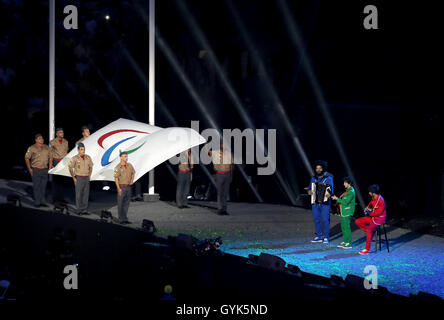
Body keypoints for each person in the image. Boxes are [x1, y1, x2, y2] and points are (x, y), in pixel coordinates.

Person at [355, 184, 386, 255]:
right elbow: (371, 203)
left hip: (379, 219)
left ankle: (367, 249)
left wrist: (369, 212)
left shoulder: (381, 200)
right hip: (373, 217)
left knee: (369, 229)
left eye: (370, 192)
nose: (369, 193)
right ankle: (371, 232)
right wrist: (368, 207)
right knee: (357, 221)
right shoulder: (374, 198)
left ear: (373, 193)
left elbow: (378, 213)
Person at [307, 160, 334, 244]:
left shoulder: (328, 178)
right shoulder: (313, 178)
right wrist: (309, 192)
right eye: (316, 168)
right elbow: (309, 189)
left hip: (325, 203)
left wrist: (329, 194)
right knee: (316, 219)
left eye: (320, 168)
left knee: (325, 220)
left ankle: (326, 237)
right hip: (315, 203)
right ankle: (319, 236)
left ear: (323, 169)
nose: (318, 170)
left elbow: (331, 190)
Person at [24, 134, 53, 207]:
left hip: (44, 170)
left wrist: (50, 166)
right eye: (40, 138)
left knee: (43, 187)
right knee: (37, 187)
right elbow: (27, 158)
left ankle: (43, 201)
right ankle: (37, 202)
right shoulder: (31, 148)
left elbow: (50, 157)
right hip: (36, 170)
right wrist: (29, 168)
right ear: (36, 140)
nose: (42, 139)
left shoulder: (47, 147)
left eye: (42, 138)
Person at [68, 143, 93, 215]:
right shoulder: (74, 158)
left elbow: (91, 166)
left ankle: (84, 210)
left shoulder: (88, 157)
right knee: (79, 195)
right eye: (81, 149)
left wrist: (89, 175)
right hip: (79, 178)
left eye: (84, 149)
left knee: (86, 194)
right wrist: (74, 178)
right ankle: (78, 210)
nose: (83, 151)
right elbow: (70, 168)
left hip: (86, 178)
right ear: (78, 150)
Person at [209, 141, 234, 215]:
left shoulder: (229, 154)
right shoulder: (215, 153)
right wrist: (206, 145)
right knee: (220, 193)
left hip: (227, 174)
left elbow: (232, 166)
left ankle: (224, 209)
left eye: (226, 144)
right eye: (223, 144)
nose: (224, 146)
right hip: (220, 174)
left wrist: (231, 176)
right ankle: (220, 209)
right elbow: (207, 153)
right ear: (220, 145)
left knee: (225, 193)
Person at [332, 176, 355, 249]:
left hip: (347, 211)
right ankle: (345, 241)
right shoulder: (348, 191)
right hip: (344, 211)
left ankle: (349, 243)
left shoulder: (351, 192)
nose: (344, 184)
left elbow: (345, 202)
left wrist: (337, 199)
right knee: (343, 227)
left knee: (346, 227)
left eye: (345, 182)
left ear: (349, 183)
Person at [114, 151, 135, 224]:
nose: (126, 158)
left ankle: (125, 218)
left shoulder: (129, 165)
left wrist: (132, 180)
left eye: (127, 156)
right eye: (125, 156)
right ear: (121, 157)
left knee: (126, 203)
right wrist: (118, 188)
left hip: (128, 187)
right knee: (120, 203)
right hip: (121, 187)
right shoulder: (117, 167)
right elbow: (116, 178)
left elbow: (133, 173)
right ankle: (121, 219)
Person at [49, 128, 69, 202]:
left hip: (63, 162)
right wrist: (51, 164)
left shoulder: (66, 142)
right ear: (57, 134)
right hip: (56, 161)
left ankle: (61, 198)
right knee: (56, 181)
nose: (62, 133)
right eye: (60, 132)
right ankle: (55, 198)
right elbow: (50, 153)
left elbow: (67, 152)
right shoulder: (52, 142)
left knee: (62, 181)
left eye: (62, 132)